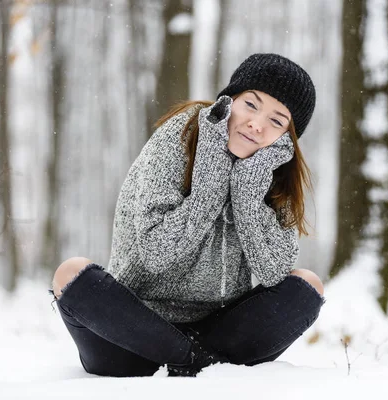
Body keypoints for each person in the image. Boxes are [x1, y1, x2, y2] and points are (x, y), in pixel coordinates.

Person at [50, 53, 325, 377]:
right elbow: (155, 251)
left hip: (220, 330)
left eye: (277, 121)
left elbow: (273, 274)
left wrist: (248, 189)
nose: (257, 124)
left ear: (286, 139)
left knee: (308, 285)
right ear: (229, 100)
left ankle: (187, 363)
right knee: (70, 274)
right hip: (134, 333)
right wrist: (212, 183)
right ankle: (200, 365)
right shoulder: (180, 135)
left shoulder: (272, 171)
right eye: (251, 104)